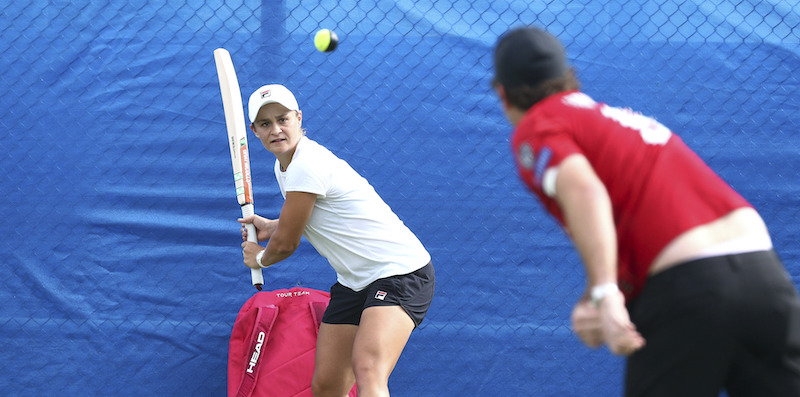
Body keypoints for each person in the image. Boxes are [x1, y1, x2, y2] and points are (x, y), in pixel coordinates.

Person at [491, 26, 800, 396]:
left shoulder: (539, 124)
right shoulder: (612, 119)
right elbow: (635, 213)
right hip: (765, 278)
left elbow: (586, 191)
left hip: (689, 289)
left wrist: (605, 294)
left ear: (503, 94)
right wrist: (598, 294)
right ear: (568, 79)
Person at [237, 84, 435, 397]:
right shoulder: (284, 165)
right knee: (328, 386)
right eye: (265, 124)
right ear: (255, 131)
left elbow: (288, 244)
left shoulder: (307, 163)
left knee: (369, 368)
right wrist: (273, 226)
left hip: (399, 273)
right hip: (355, 283)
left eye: (283, 119)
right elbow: (310, 216)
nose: (275, 129)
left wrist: (258, 258)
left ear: (299, 118)